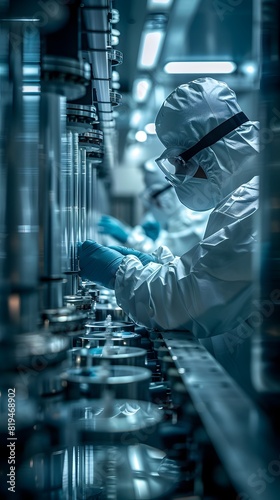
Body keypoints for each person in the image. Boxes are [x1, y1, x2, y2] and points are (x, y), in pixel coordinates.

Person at [78, 77, 259, 391]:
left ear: (209, 155)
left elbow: (185, 304)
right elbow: (207, 271)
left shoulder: (252, 203)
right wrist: (150, 261)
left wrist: (117, 272)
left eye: (181, 165)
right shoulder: (246, 195)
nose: (184, 178)